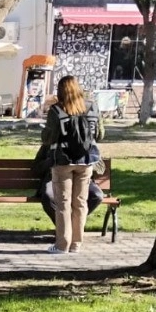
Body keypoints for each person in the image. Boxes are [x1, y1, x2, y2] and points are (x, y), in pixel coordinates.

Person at [42, 75, 100, 255]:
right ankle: (76, 244)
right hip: (86, 160)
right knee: (80, 202)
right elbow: (100, 135)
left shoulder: (57, 110)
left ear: (60, 91)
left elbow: (48, 138)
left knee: (63, 203)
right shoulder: (92, 107)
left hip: (63, 160)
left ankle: (62, 245)